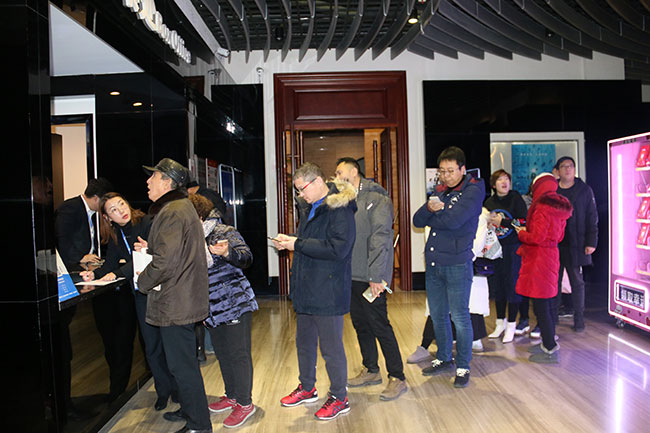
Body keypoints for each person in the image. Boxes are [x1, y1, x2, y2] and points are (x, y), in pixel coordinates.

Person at [273, 162, 356, 421]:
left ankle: (340, 397)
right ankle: (307, 388)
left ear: (318, 182)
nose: (300, 195)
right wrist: (290, 241)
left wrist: (297, 243)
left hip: (328, 290)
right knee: (304, 343)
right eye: (297, 190)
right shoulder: (312, 207)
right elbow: (311, 242)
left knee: (331, 349)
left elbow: (338, 249)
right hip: (307, 288)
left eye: (302, 189)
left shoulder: (339, 208)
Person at [136, 158, 212, 433]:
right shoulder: (181, 207)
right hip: (183, 299)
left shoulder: (172, 211)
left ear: (168, 182)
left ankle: (199, 425)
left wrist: (141, 281)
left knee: (183, 367)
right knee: (183, 364)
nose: (148, 181)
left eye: (153, 177)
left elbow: (166, 262)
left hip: (175, 303)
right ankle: (190, 410)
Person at [83, 192, 178, 410]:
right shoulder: (116, 234)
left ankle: (178, 389)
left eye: (121, 204)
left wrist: (118, 273)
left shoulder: (147, 223)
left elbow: (146, 257)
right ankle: (163, 391)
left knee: (169, 344)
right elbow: (110, 263)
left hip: (162, 292)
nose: (121, 211)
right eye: (113, 210)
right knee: (151, 346)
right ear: (107, 218)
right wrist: (94, 274)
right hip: (141, 295)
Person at [334, 157, 407, 401]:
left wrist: (377, 276)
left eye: (340, 172)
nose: (337, 177)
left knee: (379, 325)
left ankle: (397, 376)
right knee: (360, 324)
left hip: (371, 277)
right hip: (351, 275)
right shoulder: (345, 201)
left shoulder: (377, 199)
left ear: (354, 171)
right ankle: (371, 370)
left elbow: (381, 238)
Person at [412, 146, 484, 388]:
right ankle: (444, 357)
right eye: (442, 171)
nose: (446, 176)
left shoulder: (474, 190)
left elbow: (455, 221)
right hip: (434, 262)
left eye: (451, 171)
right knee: (438, 314)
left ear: (463, 169)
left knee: (460, 317)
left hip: (457, 263)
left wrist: (437, 213)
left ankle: (463, 365)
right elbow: (417, 220)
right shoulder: (441, 191)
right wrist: (431, 209)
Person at [188, 194, 259, 429]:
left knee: (239, 354)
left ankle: (245, 403)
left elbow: (246, 257)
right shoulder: (190, 237)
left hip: (234, 302)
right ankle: (232, 395)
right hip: (210, 308)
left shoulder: (223, 231)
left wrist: (227, 253)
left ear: (198, 214)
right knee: (223, 353)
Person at [54, 177, 112, 421]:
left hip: (82, 274)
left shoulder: (88, 212)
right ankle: (64, 404)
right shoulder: (70, 208)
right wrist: (81, 258)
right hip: (67, 278)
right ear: (97, 198)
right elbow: (61, 241)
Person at [514, 173, 572, 364]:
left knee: (540, 305)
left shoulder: (541, 207)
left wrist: (522, 233)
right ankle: (548, 341)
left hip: (538, 259)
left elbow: (536, 237)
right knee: (547, 303)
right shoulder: (560, 208)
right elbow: (559, 236)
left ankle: (549, 347)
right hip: (551, 255)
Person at [553, 156, 598, 332]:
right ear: (557, 171)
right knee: (553, 281)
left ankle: (579, 318)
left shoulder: (584, 190)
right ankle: (552, 317)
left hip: (577, 243)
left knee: (576, 282)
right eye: (564, 166)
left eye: (570, 166)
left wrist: (591, 241)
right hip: (555, 243)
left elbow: (592, 216)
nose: (567, 169)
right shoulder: (553, 190)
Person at [484, 170, 528, 343]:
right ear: (494, 185)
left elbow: (523, 222)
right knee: (498, 286)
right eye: (500, 180)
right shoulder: (489, 202)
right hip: (495, 249)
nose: (504, 182)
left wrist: (503, 222)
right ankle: (499, 322)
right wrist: (489, 223)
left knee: (513, 285)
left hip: (513, 248)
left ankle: (511, 324)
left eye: (507, 179)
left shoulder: (516, 198)